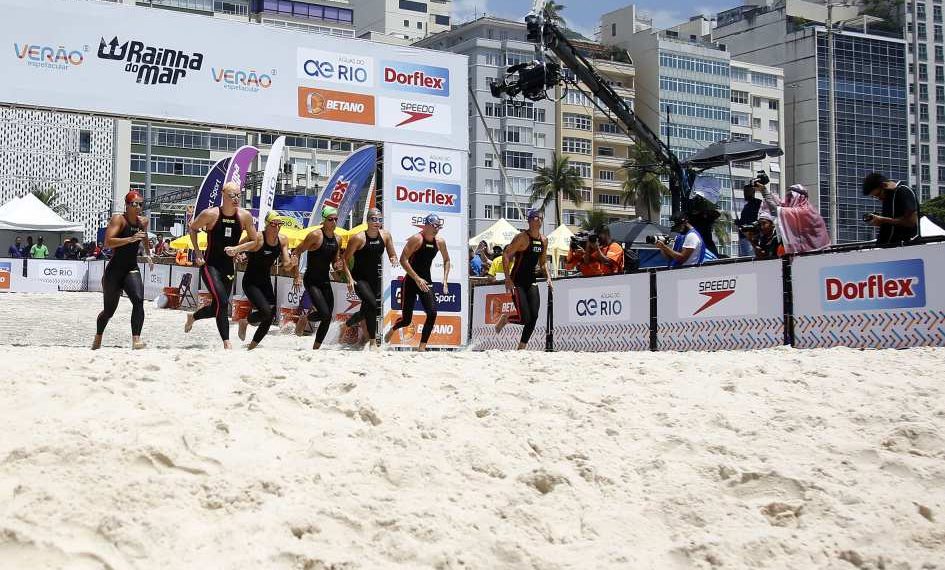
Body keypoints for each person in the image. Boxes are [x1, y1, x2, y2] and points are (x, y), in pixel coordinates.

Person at [184, 181, 260, 349]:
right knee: (223, 302)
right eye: (232, 195)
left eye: (239, 195)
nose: (236, 199)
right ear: (223, 195)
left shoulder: (244, 216)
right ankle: (227, 342)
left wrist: (238, 249)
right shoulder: (210, 214)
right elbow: (192, 228)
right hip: (209, 265)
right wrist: (197, 253)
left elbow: (255, 241)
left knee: (216, 307)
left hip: (228, 267)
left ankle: (193, 317)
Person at [92, 191, 154, 350]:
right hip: (114, 271)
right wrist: (130, 239)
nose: (138, 207)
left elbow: (144, 236)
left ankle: (136, 340)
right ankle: (98, 336)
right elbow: (107, 242)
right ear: (127, 205)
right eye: (135, 204)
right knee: (108, 312)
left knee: (139, 301)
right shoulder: (119, 219)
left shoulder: (143, 221)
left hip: (131, 268)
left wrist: (148, 253)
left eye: (141, 204)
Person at [384, 213, 451, 351]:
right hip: (410, 281)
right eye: (434, 226)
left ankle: (421, 347)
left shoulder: (440, 242)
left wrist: (445, 280)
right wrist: (416, 278)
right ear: (426, 225)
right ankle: (393, 329)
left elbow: (447, 260)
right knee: (406, 320)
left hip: (425, 281)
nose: (436, 229)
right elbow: (403, 260)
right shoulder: (417, 239)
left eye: (439, 226)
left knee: (432, 313)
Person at [494, 209, 552, 350]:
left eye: (541, 218)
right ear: (530, 220)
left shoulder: (544, 240)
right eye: (537, 218)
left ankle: (522, 347)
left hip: (531, 280)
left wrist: (549, 278)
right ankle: (506, 318)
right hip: (517, 280)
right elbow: (506, 255)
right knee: (525, 317)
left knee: (534, 316)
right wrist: (507, 279)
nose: (540, 220)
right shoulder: (522, 238)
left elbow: (543, 262)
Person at [341, 208, 397, 347]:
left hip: (375, 279)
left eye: (380, 219)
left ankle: (346, 325)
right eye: (374, 219)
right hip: (359, 279)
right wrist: (349, 278)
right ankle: (373, 342)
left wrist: (393, 259)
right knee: (372, 305)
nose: (377, 222)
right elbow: (345, 259)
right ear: (367, 221)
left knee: (366, 310)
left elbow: (392, 253)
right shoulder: (358, 238)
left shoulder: (385, 236)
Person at [237, 211, 292, 350]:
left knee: (270, 316)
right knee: (266, 312)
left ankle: (253, 346)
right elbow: (238, 246)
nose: (277, 227)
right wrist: (238, 254)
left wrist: (292, 263)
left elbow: (286, 265)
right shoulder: (257, 237)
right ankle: (244, 322)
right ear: (267, 224)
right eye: (274, 224)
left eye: (280, 224)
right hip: (251, 281)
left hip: (265, 281)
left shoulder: (283, 240)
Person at [292, 206, 342, 350]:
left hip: (325, 281)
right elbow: (297, 251)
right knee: (325, 314)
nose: (333, 222)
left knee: (327, 317)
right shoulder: (315, 235)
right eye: (330, 219)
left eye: (336, 219)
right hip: (311, 280)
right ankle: (305, 318)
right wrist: (296, 275)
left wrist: (337, 265)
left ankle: (316, 349)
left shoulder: (337, 239)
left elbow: (334, 260)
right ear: (324, 221)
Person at [760, 183, 830, 254]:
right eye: (787, 196)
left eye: (790, 197)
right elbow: (780, 207)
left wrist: (764, 191)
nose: (787, 200)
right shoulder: (805, 210)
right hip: (809, 255)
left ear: (799, 197)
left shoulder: (804, 211)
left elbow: (775, 210)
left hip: (817, 255)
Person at [862, 172, 919, 246]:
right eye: (875, 197)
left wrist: (882, 220)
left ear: (884, 185)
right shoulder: (888, 198)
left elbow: (911, 222)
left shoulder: (903, 191)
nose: (879, 198)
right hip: (889, 248)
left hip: (903, 247)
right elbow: (895, 224)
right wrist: (880, 222)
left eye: (878, 194)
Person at [736, 182, 764, 257]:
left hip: (751, 237)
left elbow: (759, 219)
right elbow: (744, 221)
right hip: (743, 236)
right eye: (744, 192)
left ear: (753, 192)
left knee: (749, 258)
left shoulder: (758, 203)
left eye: (747, 191)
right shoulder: (746, 206)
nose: (745, 194)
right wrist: (738, 222)